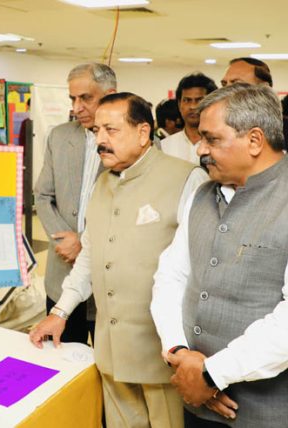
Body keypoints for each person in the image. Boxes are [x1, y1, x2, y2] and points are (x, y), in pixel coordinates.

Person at [31, 92, 207, 428]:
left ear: (143, 133)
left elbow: (199, 270)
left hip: (161, 353)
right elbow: (90, 256)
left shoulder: (187, 179)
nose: (100, 140)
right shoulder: (102, 183)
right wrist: (60, 312)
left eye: (111, 130)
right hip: (110, 350)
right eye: (97, 131)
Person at [151, 83, 288, 428]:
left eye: (211, 139)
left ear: (255, 141)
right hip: (196, 401)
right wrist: (181, 356)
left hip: (266, 412)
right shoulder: (201, 193)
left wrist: (212, 374)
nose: (199, 149)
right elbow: (171, 275)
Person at [34, 63, 116, 345]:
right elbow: (43, 196)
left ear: (110, 95)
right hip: (61, 273)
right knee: (62, 360)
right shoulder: (59, 137)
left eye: (86, 98)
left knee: (108, 370)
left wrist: (84, 243)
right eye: (73, 99)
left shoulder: (133, 144)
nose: (77, 107)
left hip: (108, 285)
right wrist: (64, 239)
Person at [161, 73, 217, 164]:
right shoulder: (164, 146)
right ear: (179, 105)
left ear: (212, 103)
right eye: (187, 100)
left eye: (199, 100)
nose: (193, 106)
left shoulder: (220, 144)